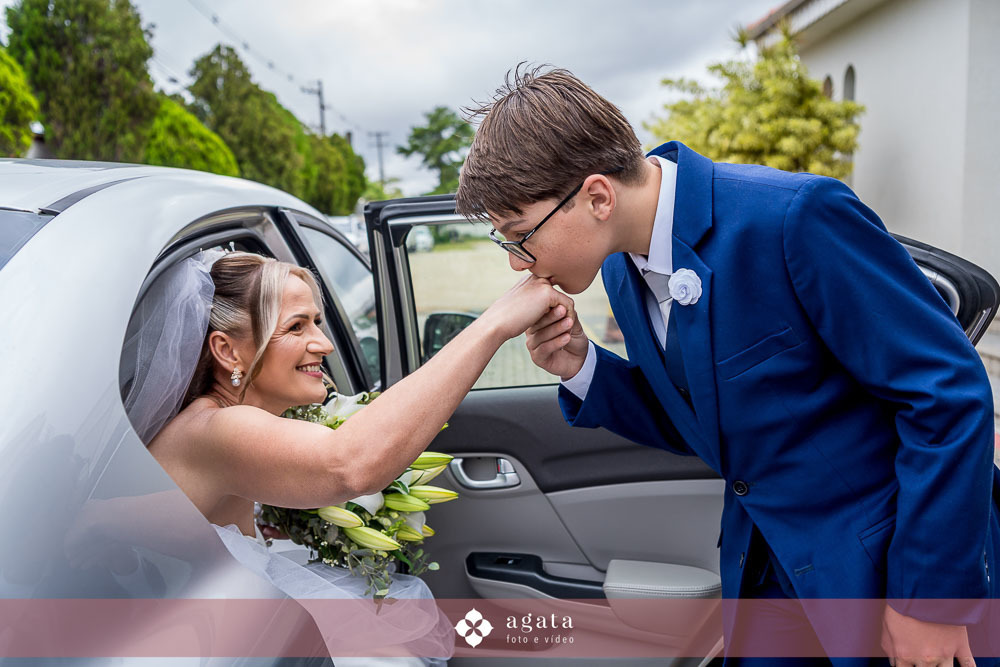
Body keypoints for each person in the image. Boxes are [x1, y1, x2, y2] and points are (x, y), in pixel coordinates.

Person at [455, 65, 1000, 666]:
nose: (517, 263)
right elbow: (704, 423)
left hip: (885, 565)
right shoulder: (618, 266)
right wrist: (582, 365)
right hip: (765, 572)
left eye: (519, 235)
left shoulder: (794, 218)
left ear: (597, 197)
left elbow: (947, 394)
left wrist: (929, 602)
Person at [122, 249, 574, 664]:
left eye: (317, 323)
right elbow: (349, 464)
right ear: (226, 350)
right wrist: (493, 325)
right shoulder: (218, 429)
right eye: (297, 327)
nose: (325, 343)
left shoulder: (224, 423)